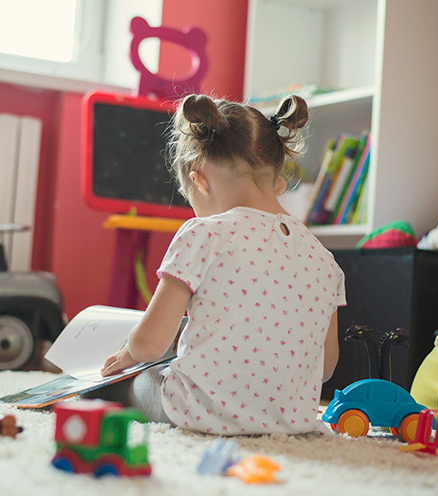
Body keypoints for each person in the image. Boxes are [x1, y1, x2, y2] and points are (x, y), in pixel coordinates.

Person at [97, 93, 346, 435]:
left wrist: (129, 353)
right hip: (290, 422)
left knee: (128, 385)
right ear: (278, 183)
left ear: (199, 180)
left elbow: (149, 345)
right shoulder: (326, 261)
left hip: (198, 411)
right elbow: (325, 366)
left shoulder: (204, 233)